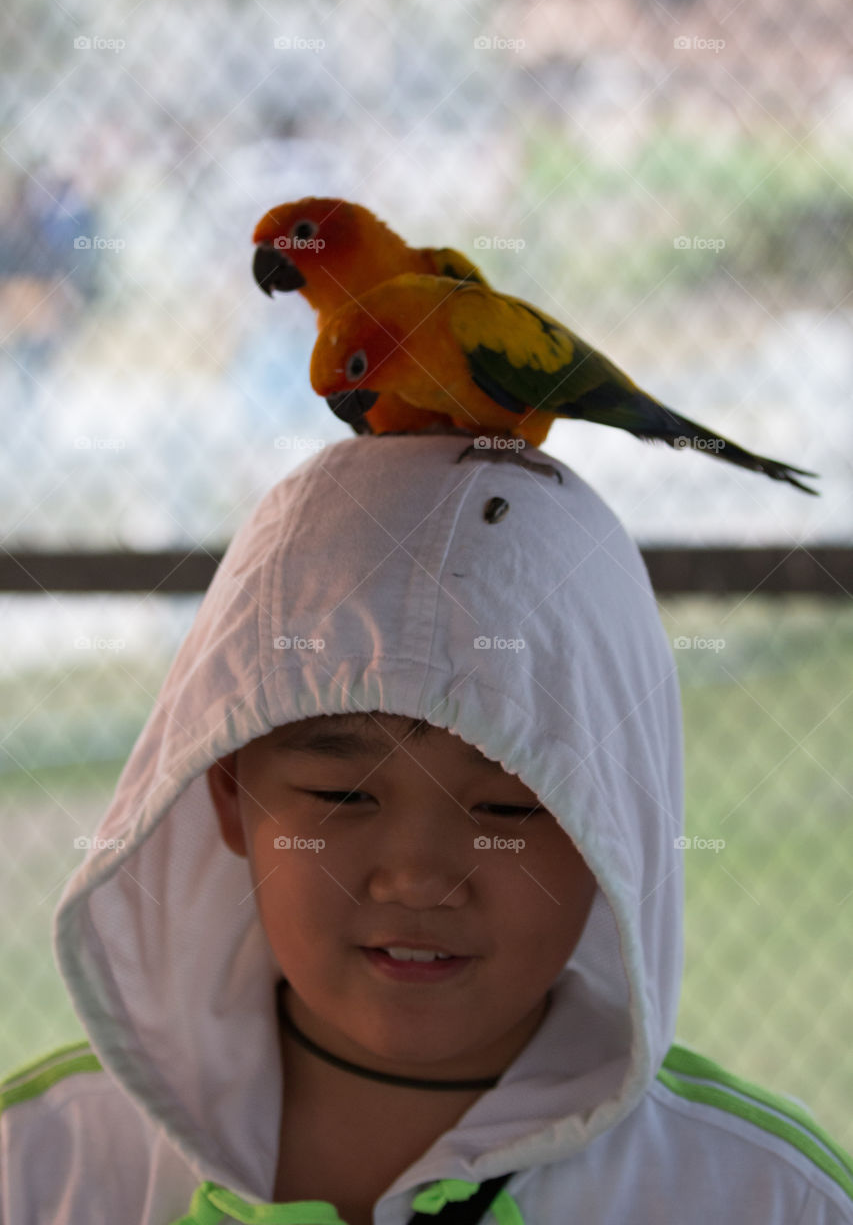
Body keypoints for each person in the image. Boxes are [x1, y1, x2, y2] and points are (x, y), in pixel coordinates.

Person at [1, 432, 851, 1224]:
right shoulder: (45, 1165)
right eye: (343, 795)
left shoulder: (759, 1195)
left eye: (508, 809)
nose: (414, 878)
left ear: (610, 836)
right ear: (229, 795)